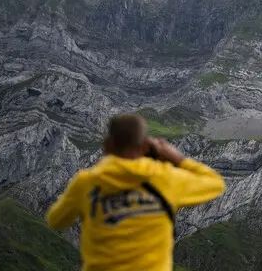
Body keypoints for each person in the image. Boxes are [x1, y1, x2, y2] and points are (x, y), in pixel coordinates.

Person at [45, 113, 226, 271]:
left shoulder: (85, 183)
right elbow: (215, 183)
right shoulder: (165, 178)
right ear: (144, 146)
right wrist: (178, 159)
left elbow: (56, 221)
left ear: (107, 145)